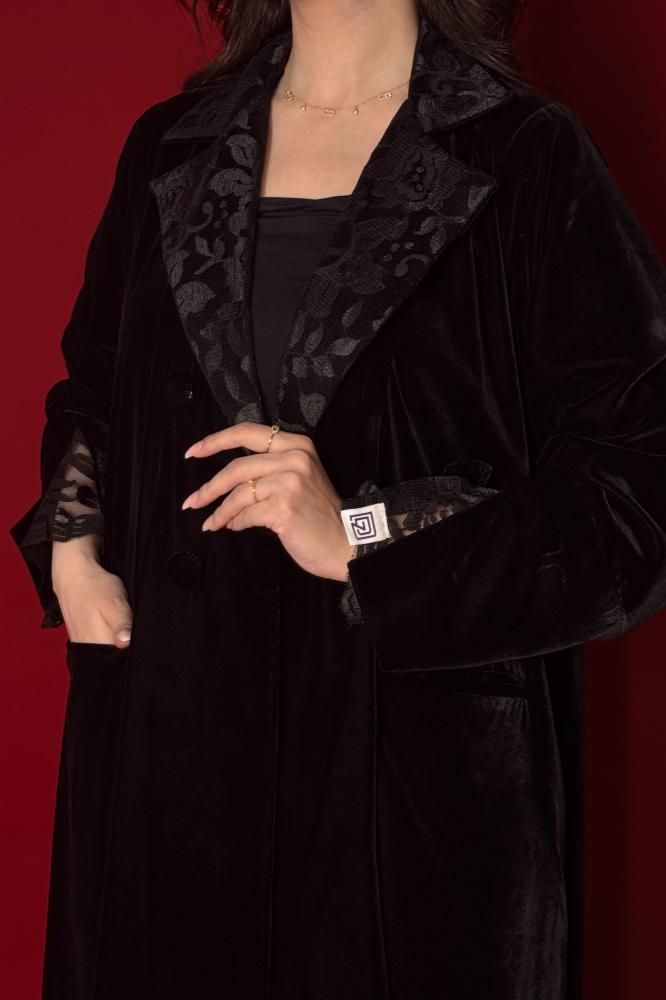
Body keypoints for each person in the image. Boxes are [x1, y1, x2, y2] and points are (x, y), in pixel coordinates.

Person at [9, 1, 666, 997]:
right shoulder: (170, 145)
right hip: (167, 769)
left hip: (407, 791)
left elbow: (636, 487)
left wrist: (362, 532)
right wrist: (73, 551)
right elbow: (91, 393)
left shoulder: (527, 152)